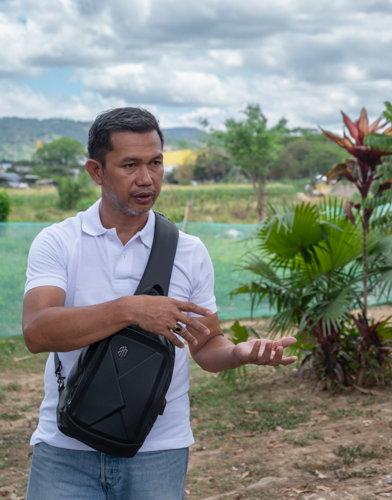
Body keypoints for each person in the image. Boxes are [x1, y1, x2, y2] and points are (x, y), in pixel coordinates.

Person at [22, 107, 298, 500]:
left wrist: (239, 352)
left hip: (158, 450)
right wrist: (130, 310)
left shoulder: (189, 252)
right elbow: (37, 331)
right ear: (96, 171)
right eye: (130, 165)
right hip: (66, 448)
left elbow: (206, 346)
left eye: (156, 163)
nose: (146, 179)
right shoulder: (59, 242)